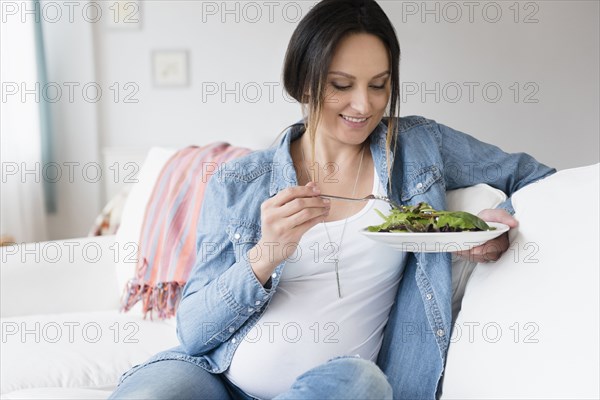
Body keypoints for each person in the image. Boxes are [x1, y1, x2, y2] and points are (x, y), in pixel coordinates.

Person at [109, 0, 555, 398]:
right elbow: (192, 332)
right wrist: (265, 256)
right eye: (342, 84)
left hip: (335, 385)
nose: (363, 105)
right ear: (304, 83)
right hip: (214, 375)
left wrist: (494, 223)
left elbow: (534, 175)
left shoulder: (419, 146)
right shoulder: (241, 181)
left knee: (361, 382)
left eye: (379, 85)